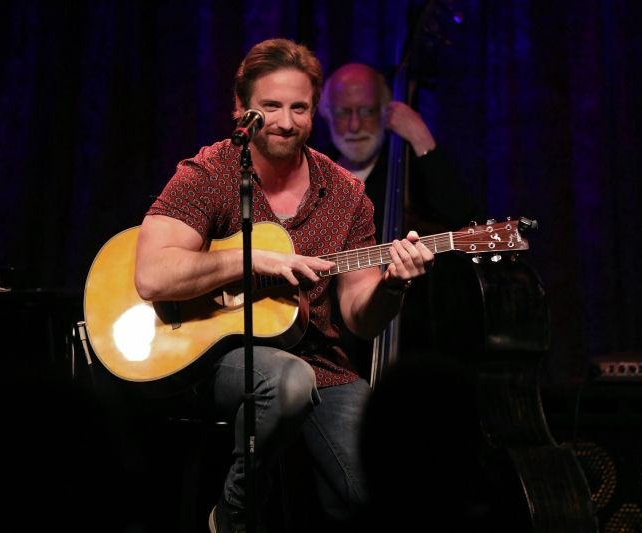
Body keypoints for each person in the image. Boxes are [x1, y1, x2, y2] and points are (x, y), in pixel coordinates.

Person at [134, 38, 434, 533]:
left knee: (384, 482)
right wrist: (251, 259)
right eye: (270, 106)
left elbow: (360, 313)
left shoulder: (345, 193)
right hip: (212, 354)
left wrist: (393, 287)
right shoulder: (209, 172)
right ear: (241, 108)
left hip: (318, 360)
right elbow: (152, 275)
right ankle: (234, 515)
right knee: (285, 381)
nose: (285, 121)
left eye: (299, 108)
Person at [319, 63, 482, 369]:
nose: (354, 125)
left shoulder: (408, 172)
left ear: (386, 112)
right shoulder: (315, 174)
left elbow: (465, 220)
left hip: (413, 341)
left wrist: (420, 138)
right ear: (326, 114)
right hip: (330, 344)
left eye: (366, 111)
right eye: (343, 112)